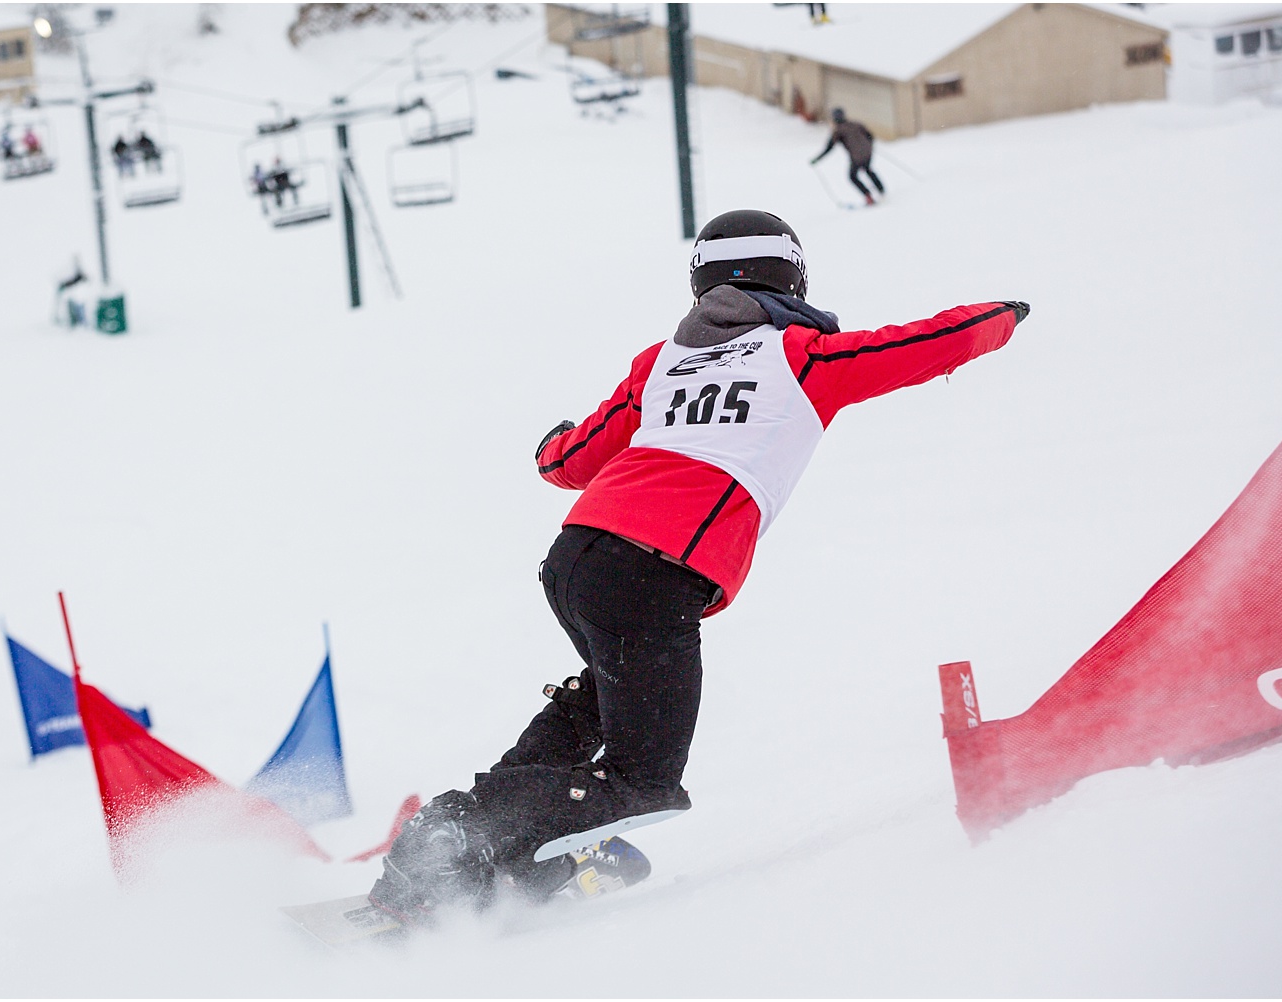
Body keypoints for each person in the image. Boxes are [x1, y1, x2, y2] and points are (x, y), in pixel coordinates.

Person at [367, 208, 1029, 925]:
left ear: (699, 283)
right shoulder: (804, 355)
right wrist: (1006, 314)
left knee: (599, 701)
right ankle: (458, 832)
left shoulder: (661, 363)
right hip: (655, 573)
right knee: (646, 780)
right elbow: (936, 341)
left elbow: (571, 459)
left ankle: (485, 853)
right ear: (796, 277)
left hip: (577, 557)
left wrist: (549, 444)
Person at [810, 108, 884, 205]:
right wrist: (868, 146)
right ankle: (881, 189)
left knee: (852, 176)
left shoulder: (838, 131)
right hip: (868, 152)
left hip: (856, 156)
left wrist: (817, 159)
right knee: (867, 169)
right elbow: (870, 136)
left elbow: (829, 147)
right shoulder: (856, 124)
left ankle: (868, 196)